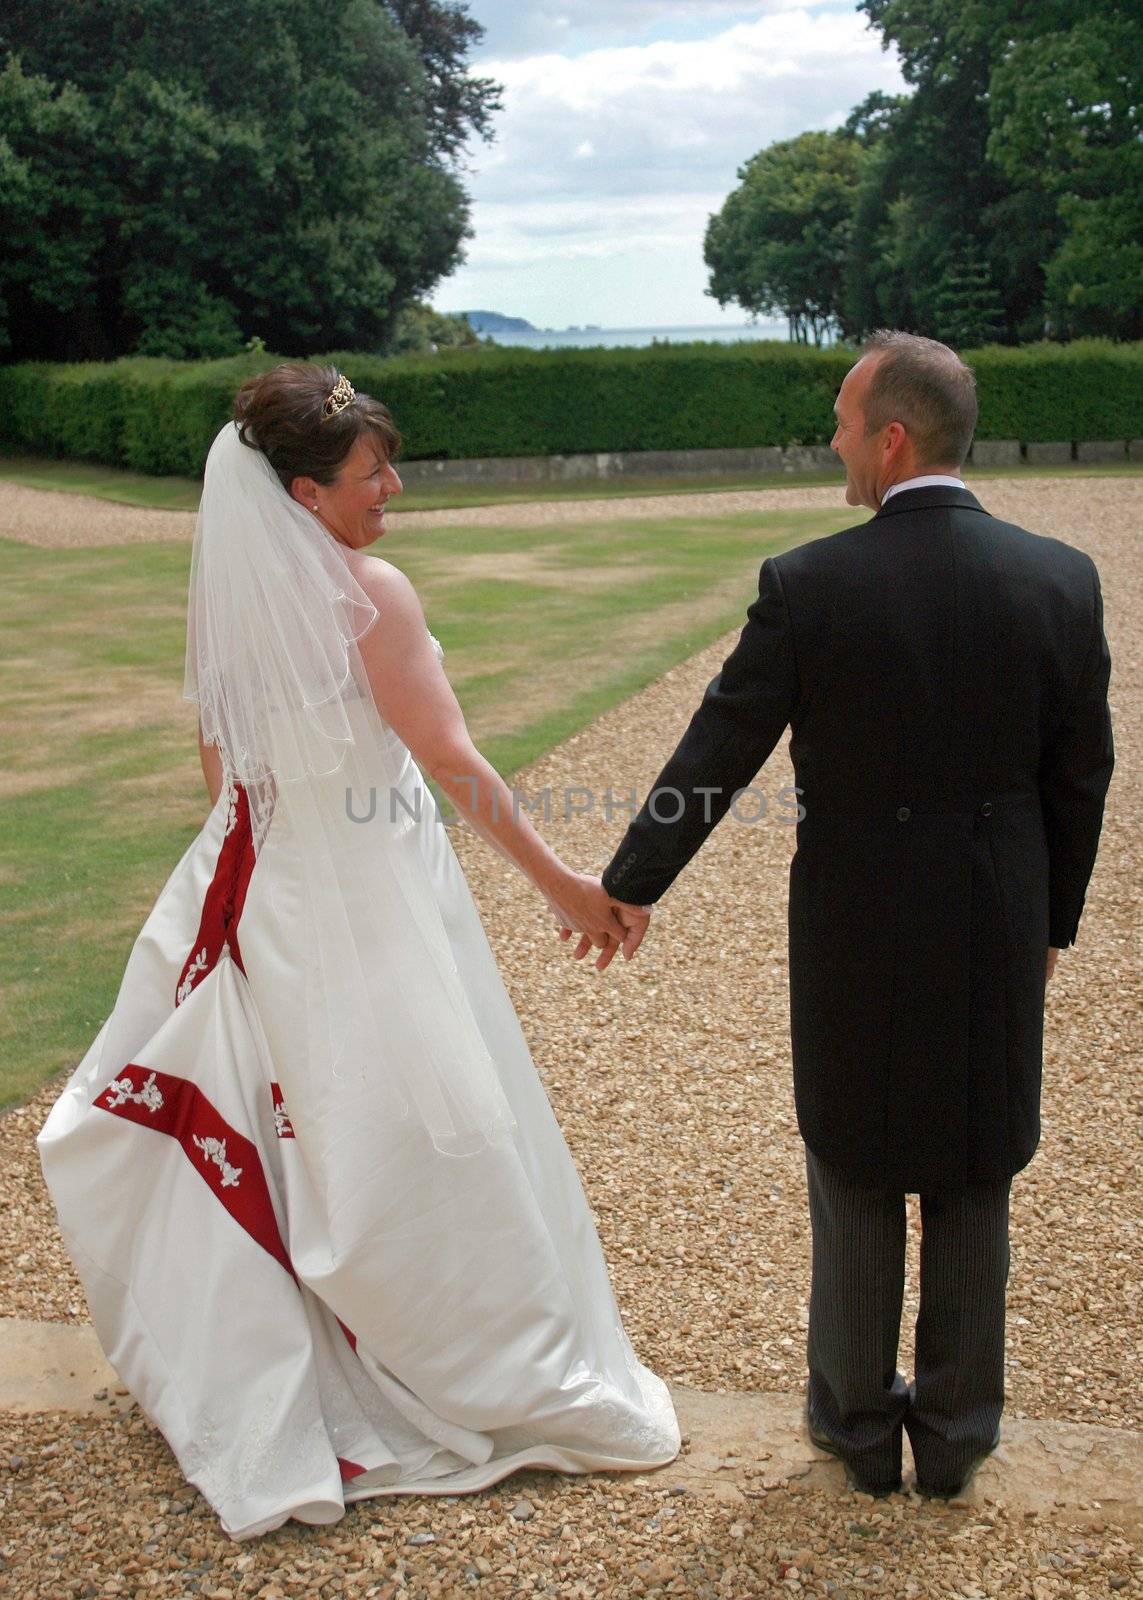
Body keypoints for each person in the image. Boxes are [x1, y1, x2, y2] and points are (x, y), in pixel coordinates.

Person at [37, 363, 678, 1542]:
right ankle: (463, 1358)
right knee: (416, 1116)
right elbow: (452, 762)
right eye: (367, 471)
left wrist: (253, 869)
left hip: (258, 885)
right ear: (301, 490)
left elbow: (221, 773)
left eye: (387, 461)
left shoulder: (241, 602)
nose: (391, 484)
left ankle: (294, 1338)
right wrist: (566, 888)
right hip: (364, 891)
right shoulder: (370, 595)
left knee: (306, 1112)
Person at [600, 331, 1114, 1498]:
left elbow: (718, 748)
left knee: (855, 1154)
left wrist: (632, 879)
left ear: (892, 437)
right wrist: (1051, 921)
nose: (831, 440)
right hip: (996, 912)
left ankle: (852, 1420)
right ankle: (960, 1429)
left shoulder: (811, 582)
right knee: (978, 1161)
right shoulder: (1059, 576)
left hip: (855, 920)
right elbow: (1081, 776)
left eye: (842, 420)